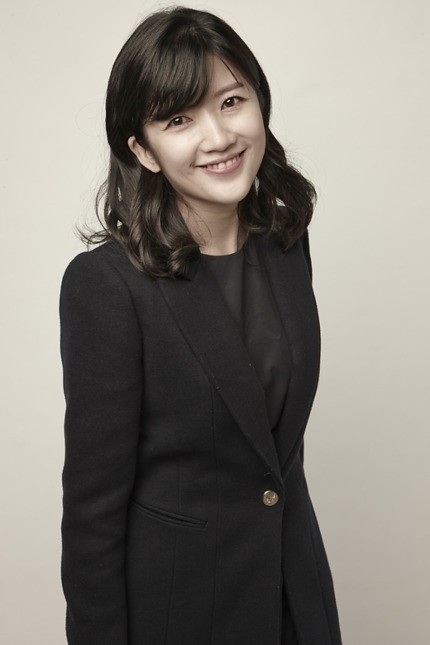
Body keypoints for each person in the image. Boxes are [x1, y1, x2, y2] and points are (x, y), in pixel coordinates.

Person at [59, 6, 343, 644]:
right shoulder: (106, 286)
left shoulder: (285, 242)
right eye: (178, 119)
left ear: (259, 103)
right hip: (180, 613)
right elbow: (92, 513)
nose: (218, 136)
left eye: (231, 101)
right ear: (142, 150)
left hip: (294, 598)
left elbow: (272, 454)